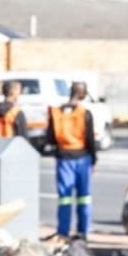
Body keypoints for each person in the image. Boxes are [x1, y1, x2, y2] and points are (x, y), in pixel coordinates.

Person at [46, 81, 98, 239]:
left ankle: (63, 232)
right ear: (82, 94)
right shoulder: (84, 113)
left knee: (65, 197)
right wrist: (93, 158)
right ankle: (83, 231)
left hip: (63, 158)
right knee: (84, 196)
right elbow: (90, 138)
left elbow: (50, 137)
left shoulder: (56, 112)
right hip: (82, 158)